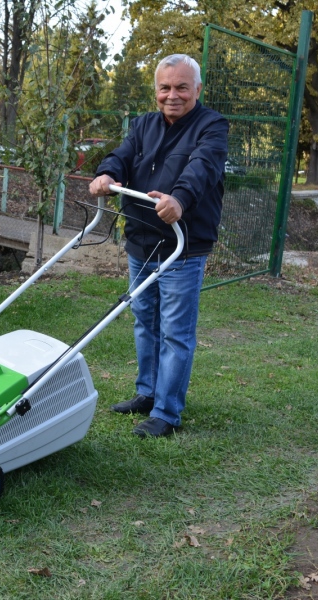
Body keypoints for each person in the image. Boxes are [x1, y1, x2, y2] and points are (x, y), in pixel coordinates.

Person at [88, 54, 228, 438]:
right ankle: (147, 393)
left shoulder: (211, 126)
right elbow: (123, 154)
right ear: (156, 91)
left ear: (197, 89)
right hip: (141, 239)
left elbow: (203, 167)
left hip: (183, 247)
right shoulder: (144, 125)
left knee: (175, 332)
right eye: (165, 87)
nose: (173, 95)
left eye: (182, 87)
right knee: (144, 323)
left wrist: (179, 199)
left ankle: (166, 412)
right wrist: (106, 172)